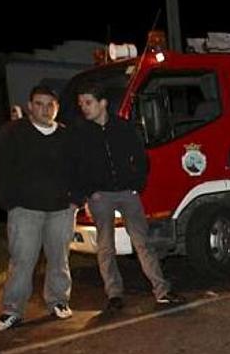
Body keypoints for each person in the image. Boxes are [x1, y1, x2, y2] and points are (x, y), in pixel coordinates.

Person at [72, 84, 184, 312]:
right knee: (105, 247)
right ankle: (114, 295)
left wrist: (137, 185)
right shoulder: (81, 133)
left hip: (127, 193)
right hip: (100, 195)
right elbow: (76, 166)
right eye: (81, 104)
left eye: (88, 102)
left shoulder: (123, 128)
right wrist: (88, 193)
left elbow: (141, 158)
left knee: (143, 243)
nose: (84, 108)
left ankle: (162, 291)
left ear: (102, 103)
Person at [0, 84, 77, 331]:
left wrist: (75, 200)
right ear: (30, 106)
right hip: (25, 211)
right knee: (22, 261)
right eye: (39, 104)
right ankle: (12, 310)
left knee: (59, 259)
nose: (45, 109)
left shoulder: (66, 135)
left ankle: (59, 301)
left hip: (61, 210)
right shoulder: (12, 133)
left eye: (50, 104)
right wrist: (9, 203)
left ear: (57, 108)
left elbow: (80, 168)